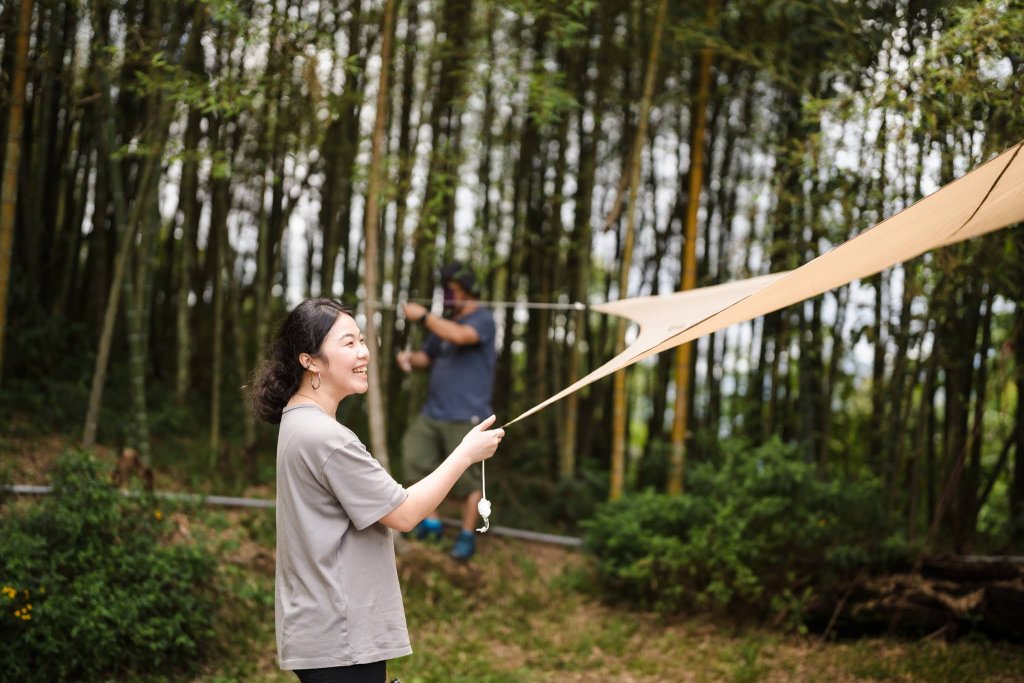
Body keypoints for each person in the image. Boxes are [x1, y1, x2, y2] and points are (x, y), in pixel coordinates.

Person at [250, 298, 505, 683]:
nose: (364, 353)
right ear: (311, 361)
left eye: (362, 341)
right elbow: (403, 514)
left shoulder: (297, 419)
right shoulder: (327, 437)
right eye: (348, 343)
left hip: (322, 631)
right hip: (340, 633)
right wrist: (465, 454)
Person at [396, 262, 497, 561]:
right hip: (434, 411)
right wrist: (409, 359)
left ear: (465, 289)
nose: (447, 296)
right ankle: (432, 522)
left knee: (469, 479)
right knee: (414, 458)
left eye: (451, 290)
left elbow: (462, 336)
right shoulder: (445, 323)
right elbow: (427, 357)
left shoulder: (483, 319)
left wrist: (424, 316)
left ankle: (467, 536)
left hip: (468, 415)